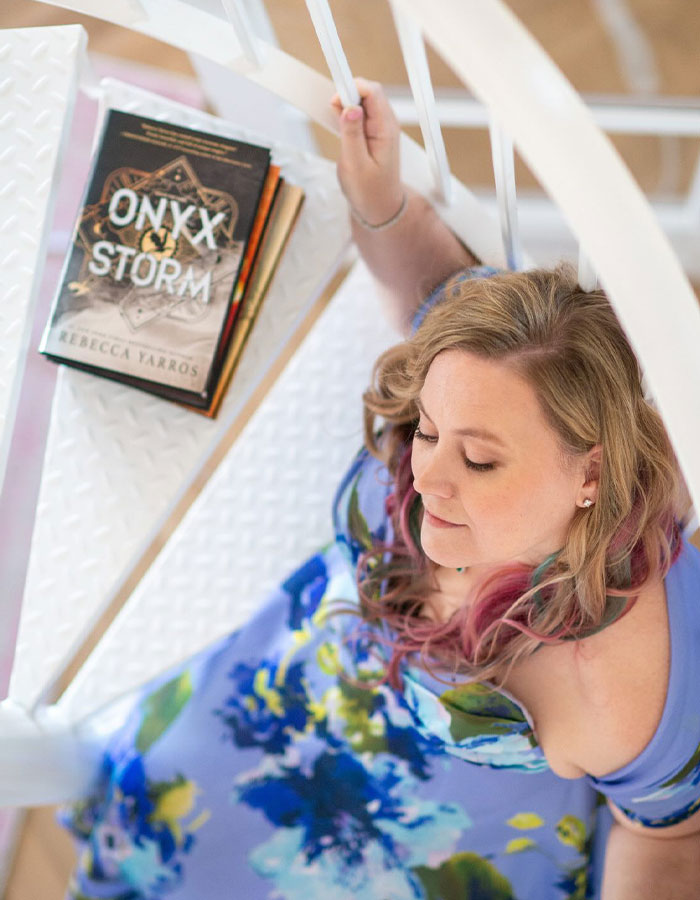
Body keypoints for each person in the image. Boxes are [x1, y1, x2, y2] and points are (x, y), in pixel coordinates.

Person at [60, 82, 700, 900]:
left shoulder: (625, 679)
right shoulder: (493, 374)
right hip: (300, 683)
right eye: (427, 431)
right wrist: (383, 202)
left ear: (592, 475)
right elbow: (427, 281)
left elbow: (671, 837)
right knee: (157, 812)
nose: (425, 476)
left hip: (433, 836)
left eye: (479, 462)